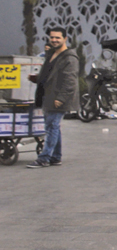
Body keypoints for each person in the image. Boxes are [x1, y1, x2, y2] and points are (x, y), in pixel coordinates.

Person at [26, 27, 79, 168]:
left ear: (65, 39)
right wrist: (36, 79)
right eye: (52, 37)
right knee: (53, 126)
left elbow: (70, 80)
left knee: (51, 126)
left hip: (58, 97)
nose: (54, 40)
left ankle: (44, 158)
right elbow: (50, 76)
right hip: (48, 96)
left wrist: (61, 98)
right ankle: (55, 157)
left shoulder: (69, 58)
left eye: (58, 38)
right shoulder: (51, 54)